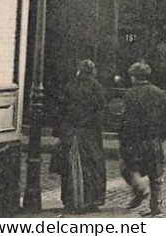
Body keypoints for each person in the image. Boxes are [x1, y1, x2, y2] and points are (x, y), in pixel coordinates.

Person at [118, 61, 166, 217]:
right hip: (156, 138)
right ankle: (156, 207)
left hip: (137, 139)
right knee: (156, 174)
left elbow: (126, 119)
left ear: (134, 77)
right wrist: (164, 134)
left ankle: (139, 189)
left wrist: (123, 137)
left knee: (127, 167)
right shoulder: (158, 92)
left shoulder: (130, 94)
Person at [55, 59, 106, 214]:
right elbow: (101, 110)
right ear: (93, 71)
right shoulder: (97, 87)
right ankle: (91, 201)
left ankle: (71, 201)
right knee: (92, 166)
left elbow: (61, 109)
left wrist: (62, 130)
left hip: (71, 132)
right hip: (90, 134)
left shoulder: (70, 86)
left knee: (70, 167)